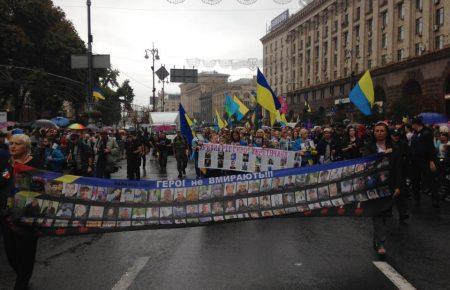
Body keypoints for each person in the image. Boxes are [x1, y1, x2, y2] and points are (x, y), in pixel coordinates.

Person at [1, 134, 41, 289]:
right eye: (10, 143)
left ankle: (22, 282)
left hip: (28, 217)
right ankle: (22, 276)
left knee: (26, 254)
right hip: (8, 216)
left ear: (26, 147)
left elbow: (46, 187)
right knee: (11, 255)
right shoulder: (5, 163)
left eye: (17, 144)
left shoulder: (36, 164)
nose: (12, 146)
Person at [365, 122, 405, 257]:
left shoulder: (395, 147)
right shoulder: (369, 148)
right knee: (377, 213)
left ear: (386, 132)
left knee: (385, 214)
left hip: (390, 185)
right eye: (377, 131)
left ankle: (377, 238)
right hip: (374, 185)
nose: (379, 133)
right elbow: (366, 166)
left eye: (382, 131)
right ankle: (381, 243)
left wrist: (399, 186)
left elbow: (399, 168)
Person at [410, 116, 439, 208]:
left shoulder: (427, 133)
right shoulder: (415, 134)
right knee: (415, 180)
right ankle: (416, 199)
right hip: (415, 161)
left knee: (431, 180)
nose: (411, 126)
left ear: (415, 124)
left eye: (412, 124)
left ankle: (435, 200)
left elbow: (431, 148)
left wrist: (431, 161)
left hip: (425, 160)